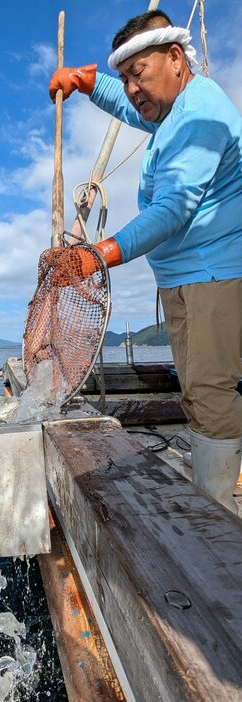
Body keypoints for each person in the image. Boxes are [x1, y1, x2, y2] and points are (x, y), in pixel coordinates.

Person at [48, 9, 242, 514]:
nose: (133, 89)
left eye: (140, 74)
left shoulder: (199, 114)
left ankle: (217, 515)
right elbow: (138, 111)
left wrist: (97, 255)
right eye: (126, 78)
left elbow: (172, 210)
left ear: (176, 58)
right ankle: (212, 489)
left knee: (210, 391)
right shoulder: (171, 108)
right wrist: (90, 84)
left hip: (212, 275)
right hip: (188, 276)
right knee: (196, 390)